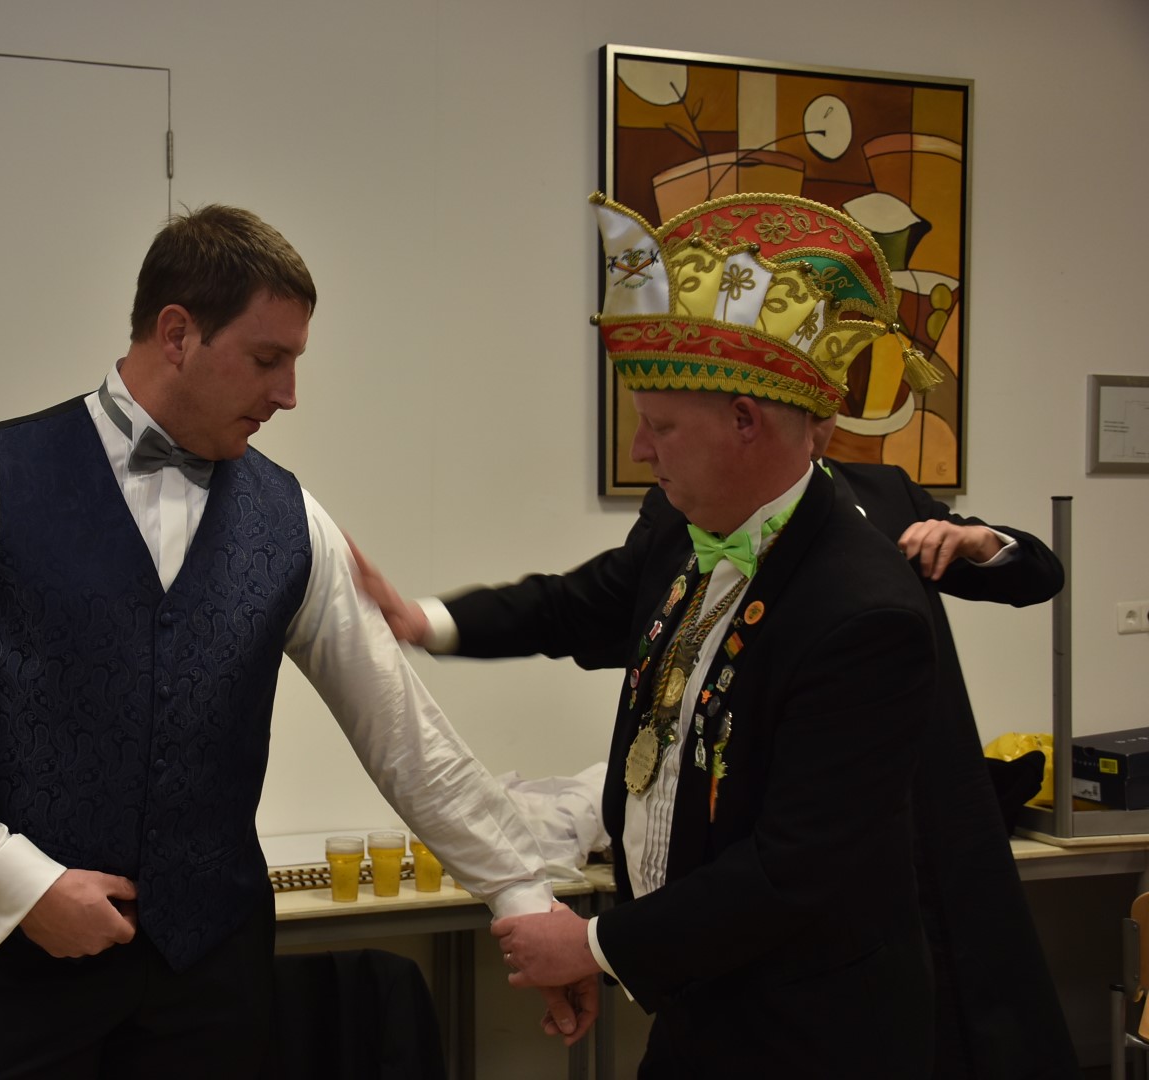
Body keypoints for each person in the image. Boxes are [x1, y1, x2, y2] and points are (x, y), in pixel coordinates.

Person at [0, 204, 568, 1078]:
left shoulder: (294, 520)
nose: (289, 394)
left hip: (211, 991)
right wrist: (16, 881)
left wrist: (520, 892)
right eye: (267, 359)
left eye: (296, 362)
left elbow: (403, 733)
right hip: (10, 982)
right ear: (177, 333)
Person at [354, 192, 946, 1077]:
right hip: (698, 1006)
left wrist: (594, 946)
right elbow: (579, 604)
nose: (640, 449)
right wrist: (427, 621)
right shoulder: (679, 525)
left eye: (661, 425)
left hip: (813, 1034)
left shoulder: (866, 615)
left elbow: (790, 871)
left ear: (745, 421)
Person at [815, 423, 1079, 1079]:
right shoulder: (705, 510)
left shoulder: (886, 492)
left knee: (967, 1005)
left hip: (930, 797)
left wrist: (979, 541)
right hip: (819, 813)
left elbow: (1038, 575)